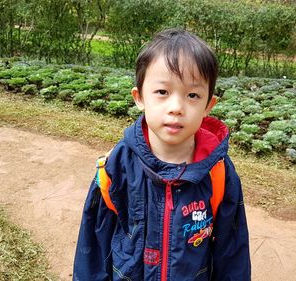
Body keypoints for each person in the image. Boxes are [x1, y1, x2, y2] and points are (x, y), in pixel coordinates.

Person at [73, 28, 251, 281]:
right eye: (162, 92)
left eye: (192, 95)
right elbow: (93, 245)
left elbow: (232, 250)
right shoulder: (116, 166)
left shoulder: (218, 171)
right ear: (140, 97)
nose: (176, 107)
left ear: (208, 105)